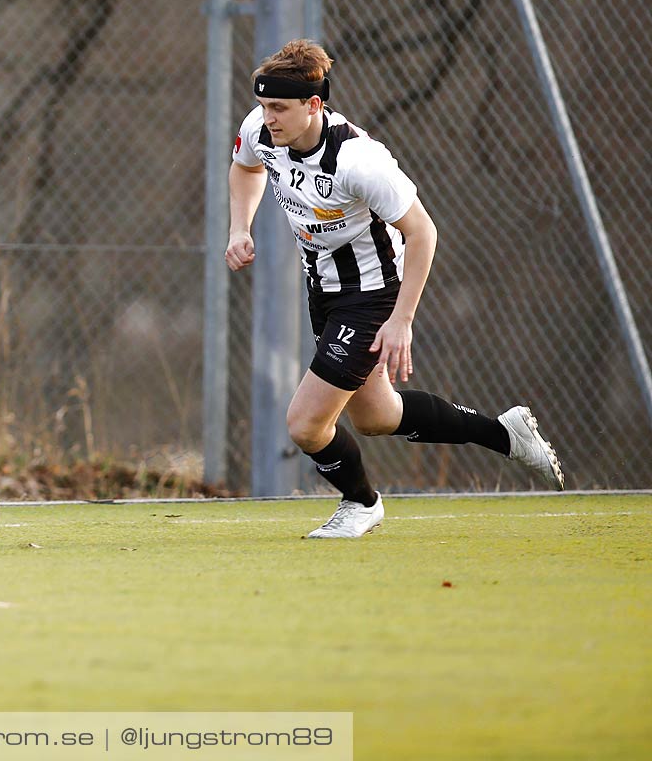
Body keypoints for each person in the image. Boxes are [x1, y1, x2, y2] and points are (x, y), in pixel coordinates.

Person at [227, 39, 564, 538]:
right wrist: (241, 228)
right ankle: (505, 433)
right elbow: (246, 168)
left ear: (314, 105)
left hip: (372, 294)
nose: (267, 117)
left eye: (279, 107)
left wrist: (400, 319)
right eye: (262, 105)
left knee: (305, 424)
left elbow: (423, 232)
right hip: (323, 289)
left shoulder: (361, 161)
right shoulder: (261, 130)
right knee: (378, 416)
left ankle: (361, 504)